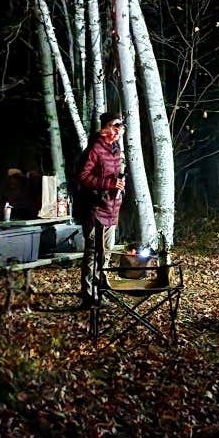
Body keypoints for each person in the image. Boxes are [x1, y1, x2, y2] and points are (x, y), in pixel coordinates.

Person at [76, 112, 126, 307]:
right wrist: (109, 183)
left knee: (106, 253)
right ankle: (88, 295)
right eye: (115, 125)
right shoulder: (94, 149)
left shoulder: (116, 149)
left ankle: (101, 290)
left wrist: (120, 185)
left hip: (112, 207)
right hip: (95, 208)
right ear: (105, 127)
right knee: (93, 252)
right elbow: (83, 176)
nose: (119, 129)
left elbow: (116, 177)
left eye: (121, 126)